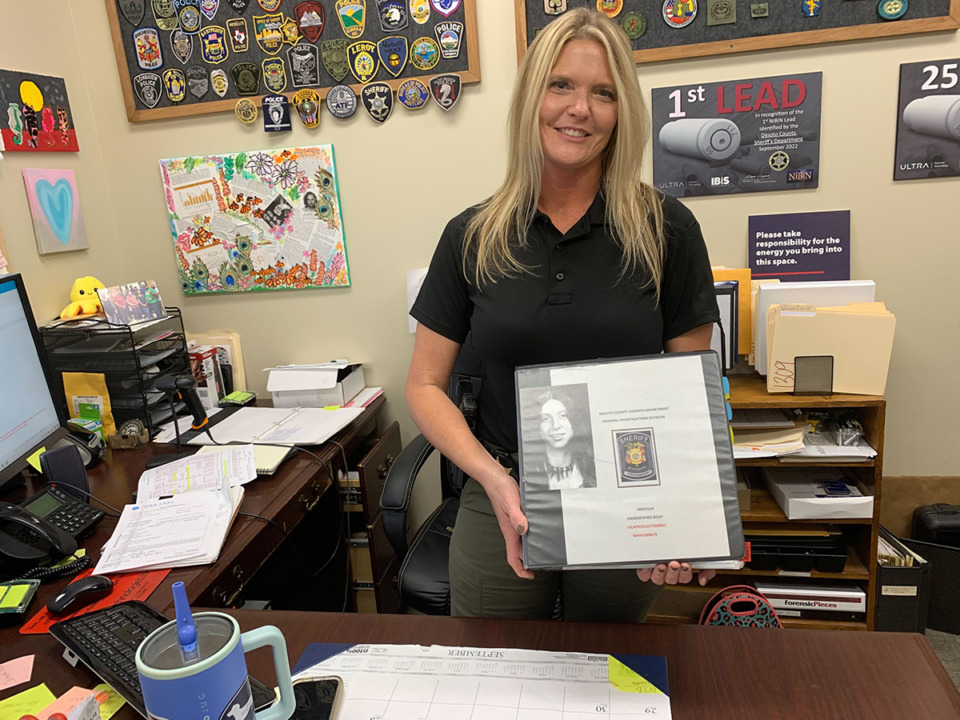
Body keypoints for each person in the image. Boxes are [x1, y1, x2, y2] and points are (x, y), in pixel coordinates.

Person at [407, 8, 720, 621]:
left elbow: (690, 395)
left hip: (629, 489)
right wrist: (491, 479)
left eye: (603, 93)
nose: (581, 108)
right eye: (561, 85)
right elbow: (422, 386)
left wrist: (692, 515)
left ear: (621, 110)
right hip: (505, 487)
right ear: (531, 100)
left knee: (611, 672)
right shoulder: (472, 236)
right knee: (496, 677)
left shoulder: (667, 230)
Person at [524, 387, 596, 491]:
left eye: (563, 416)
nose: (556, 425)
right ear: (536, 426)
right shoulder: (528, 472)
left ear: (573, 421)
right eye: (546, 419)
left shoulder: (592, 468)